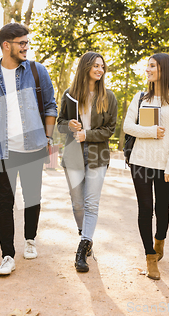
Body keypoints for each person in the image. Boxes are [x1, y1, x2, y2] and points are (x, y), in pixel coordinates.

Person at [0, 23, 57, 276]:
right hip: (3, 151)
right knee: (5, 203)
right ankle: (7, 255)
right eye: (22, 43)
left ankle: (30, 238)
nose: (26, 47)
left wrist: (48, 139)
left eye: (27, 42)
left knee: (32, 198)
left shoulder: (37, 71)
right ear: (6, 45)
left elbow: (50, 107)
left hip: (33, 148)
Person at [123, 53, 169, 280]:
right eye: (147, 66)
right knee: (145, 209)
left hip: (165, 165)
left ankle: (159, 240)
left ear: (164, 69)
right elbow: (127, 126)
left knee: (162, 209)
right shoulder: (140, 97)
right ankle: (150, 257)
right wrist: (151, 132)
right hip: (140, 161)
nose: (148, 70)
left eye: (152, 66)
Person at [57, 52, 117, 272]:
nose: (100, 70)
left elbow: (110, 130)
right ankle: (86, 236)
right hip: (73, 155)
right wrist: (70, 125)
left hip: (98, 156)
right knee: (77, 203)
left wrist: (87, 135)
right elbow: (60, 124)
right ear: (85, 67)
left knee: (91, 203)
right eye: (96, 65)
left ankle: (82, 248)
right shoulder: (70, 95)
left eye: (102, 66)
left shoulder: (109, 97)